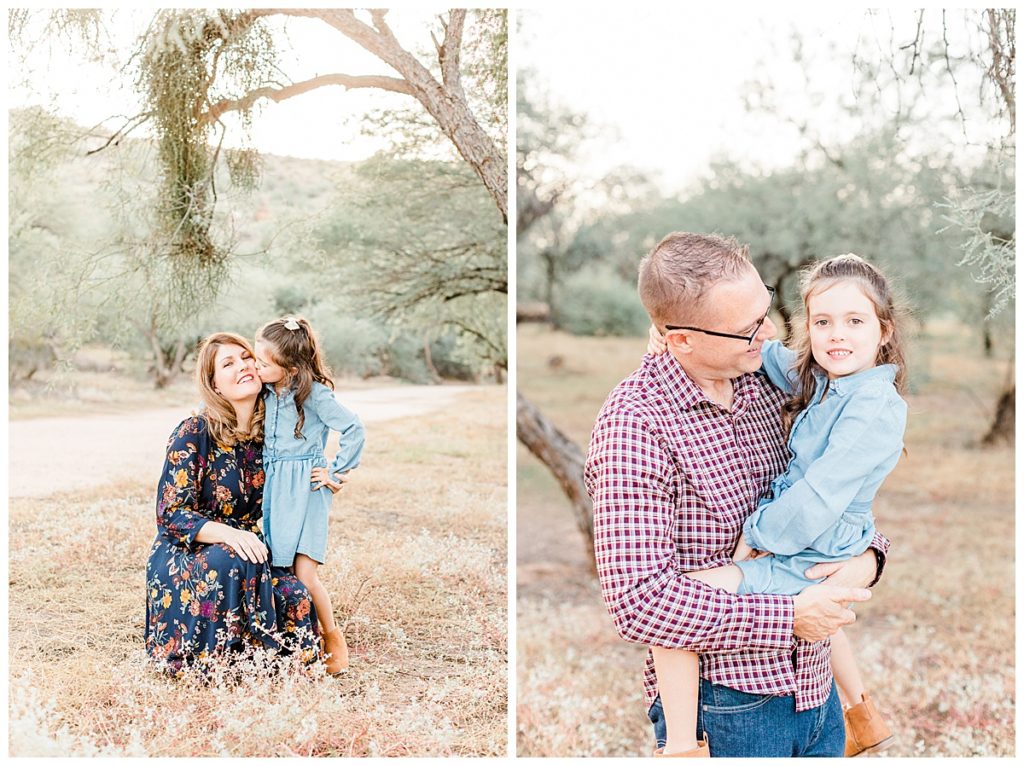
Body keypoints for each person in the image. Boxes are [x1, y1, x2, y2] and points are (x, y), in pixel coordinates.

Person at [585, 232, 890, 758]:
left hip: (815, 692)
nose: (769, 333)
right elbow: (638, 603)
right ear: (681, 339)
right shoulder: (634, 427)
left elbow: (833, 490)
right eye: (749, 328)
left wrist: (868, 556)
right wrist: (788, 616)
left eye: (766, 310)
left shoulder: (770, 383)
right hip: (731, 708)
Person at [145, 332, 320, 676]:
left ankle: (269, 666)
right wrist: (230, 534)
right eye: (228, 363)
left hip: (252, 550)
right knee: (232, 558)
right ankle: (214, 665)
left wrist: (326, 478)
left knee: (294, 594)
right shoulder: (195, 431)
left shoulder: (274, 437)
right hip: (188, 551)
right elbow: (171, 514)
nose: (243, 366)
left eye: (246, 357)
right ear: (215, 385)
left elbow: (299, 483)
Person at [254, 316, 365, 675]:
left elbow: (353, 427)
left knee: (304, 572)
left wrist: (336, 471)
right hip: (276, 487)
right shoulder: (267, 392)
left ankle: (332, 637)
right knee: (277, 565)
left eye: (263, 362)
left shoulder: (314, 393)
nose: (256, 367)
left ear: (288, 366)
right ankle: (296, 636)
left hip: (308, 488)